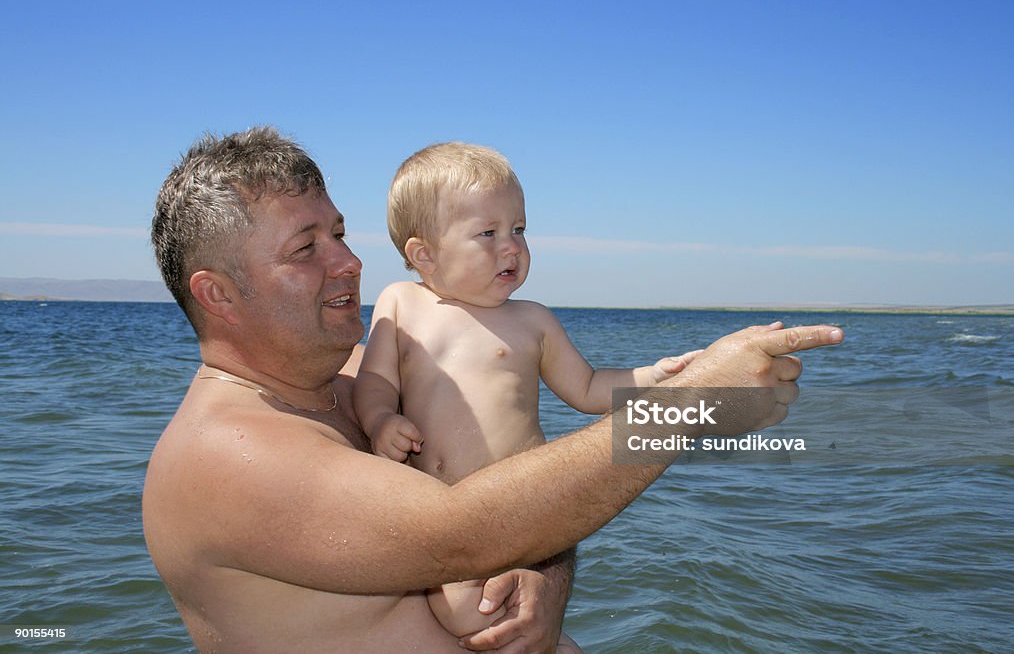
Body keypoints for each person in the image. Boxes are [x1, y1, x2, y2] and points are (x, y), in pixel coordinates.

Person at [143, 126, 844, 654]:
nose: (350, 261)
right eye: (307, 249)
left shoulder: (361, 385)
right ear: (218, 294)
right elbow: (463, 534)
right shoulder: (226, 450)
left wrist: (544, 574)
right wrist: (689, 406)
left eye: (339, 233)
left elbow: (517, 499)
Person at [354, 142, 702, 644]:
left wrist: (655, 376)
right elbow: (375, 379)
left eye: (518, 229)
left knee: (521, 617)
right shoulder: (402, 304)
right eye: (488, 233)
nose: (512, 246)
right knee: (472, 616)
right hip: (449, 518)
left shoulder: (533, 321)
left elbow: (587, 388)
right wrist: (380, 420)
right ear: (423, 253)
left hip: (530, 510)